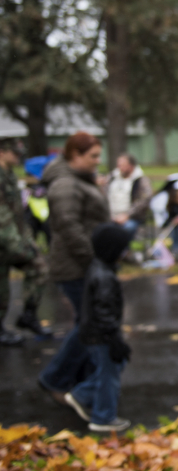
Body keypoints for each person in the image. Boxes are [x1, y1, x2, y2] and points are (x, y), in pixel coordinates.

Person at [38, 132, 110, 402]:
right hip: (76, 266)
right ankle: (55, 377)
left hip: (82, 263)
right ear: (75, 155)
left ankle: (81, 378)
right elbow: (69, 228)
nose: (97, 161)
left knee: (88, 322)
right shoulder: (66, 185)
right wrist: (93, 259)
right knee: (89, 325)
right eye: (92, 156)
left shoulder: (76, 180)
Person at [63, 223, 132, 432]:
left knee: (111, 369)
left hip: (95, 334)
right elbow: (104, 313)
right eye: (123, 248)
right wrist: (115, 340)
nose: (126, 252)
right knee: (109, 376)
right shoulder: (104, 277)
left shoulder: (99, 268)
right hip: (102, 336)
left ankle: (81, 395)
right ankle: (103, 418)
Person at [0, 138, 49, 344]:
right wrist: (16, 244)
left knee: (40, 269)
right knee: (1, 289)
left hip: (14, 238)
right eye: (15, 153)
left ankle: (28, 315)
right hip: (5, 240)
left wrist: (28, 240)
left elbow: (17, 212)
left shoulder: (10, 175)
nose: (18, 157)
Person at [107, 153, 153, 239]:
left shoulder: (141, 180)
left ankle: (123, 251)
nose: (119, 168)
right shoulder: (112, 178)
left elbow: (145, 199)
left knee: (126, 229)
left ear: (131, 166)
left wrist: (127, 215)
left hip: (132, 218)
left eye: (122, 165)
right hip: (110, 215)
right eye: (118, 165)